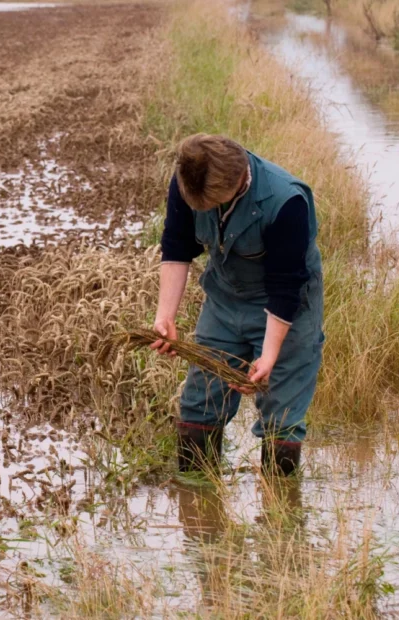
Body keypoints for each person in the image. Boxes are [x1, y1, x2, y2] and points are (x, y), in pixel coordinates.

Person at [151, 134, 325, 477]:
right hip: (225, 299)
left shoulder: (285, 201)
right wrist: (165, 317)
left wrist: (269, 355)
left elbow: (286, 286)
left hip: (288, 305)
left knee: (281, 414)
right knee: (199, 403)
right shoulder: (188, 179)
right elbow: (176, 245)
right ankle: (199, 506)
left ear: (239, 180)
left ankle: (280, 516)